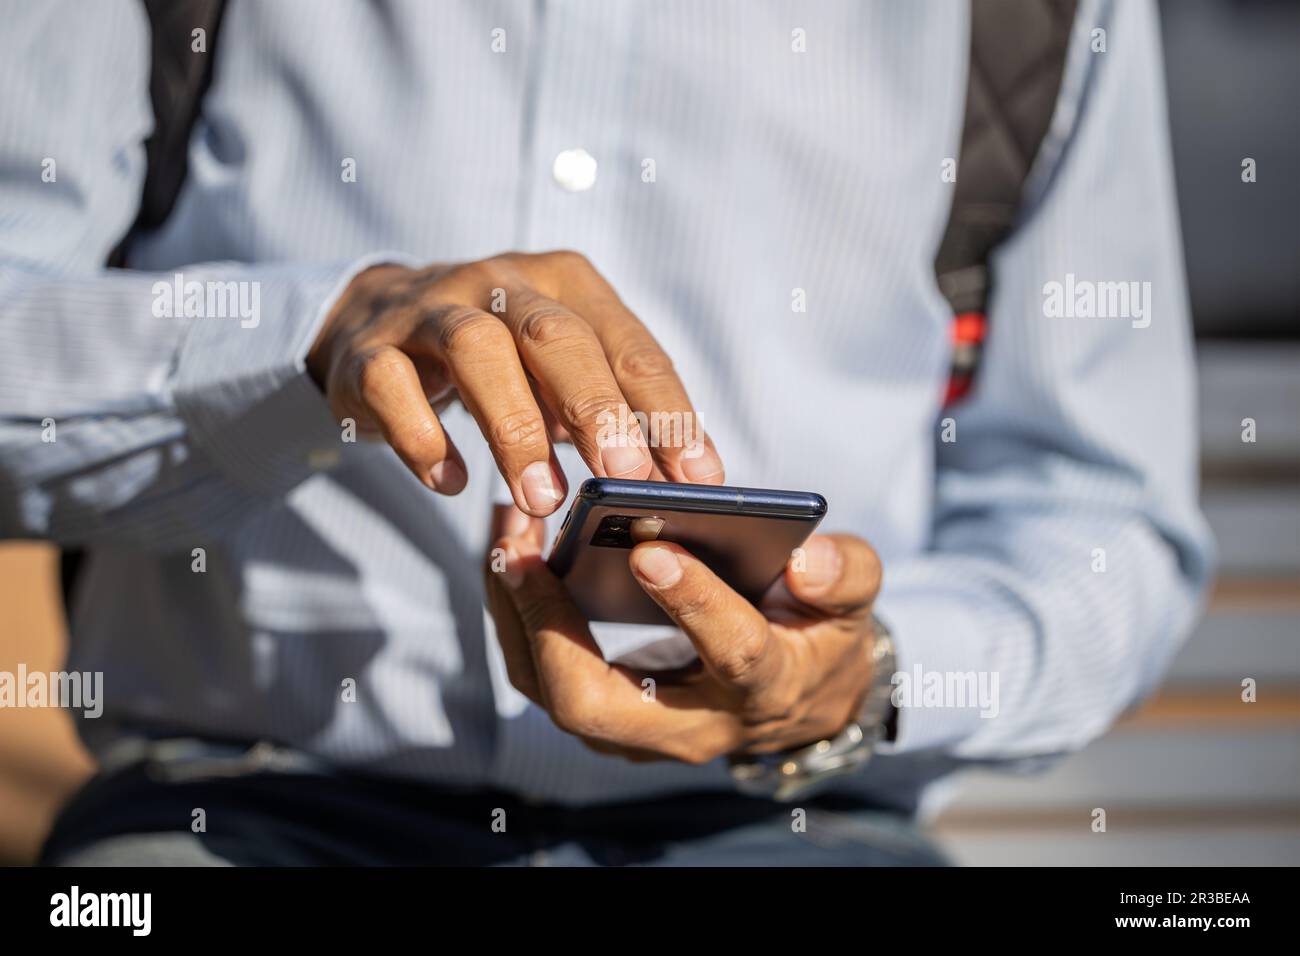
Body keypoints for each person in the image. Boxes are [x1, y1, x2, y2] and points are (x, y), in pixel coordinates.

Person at [0, 0, 1212, 866]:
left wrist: (862, 678)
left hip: (793, 824)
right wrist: (309, 338)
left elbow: (1104, 515)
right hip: (240, 804)